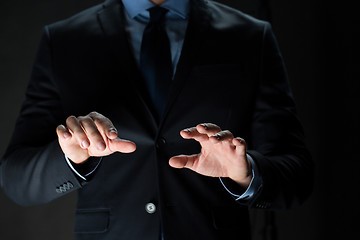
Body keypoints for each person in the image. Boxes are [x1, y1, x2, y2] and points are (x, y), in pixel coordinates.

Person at [0, 0, 313, 239]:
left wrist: (245, 174)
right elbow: (15, 178)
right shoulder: (64, 40)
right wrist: (71, 157)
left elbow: (297, 175)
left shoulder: (250, 36)